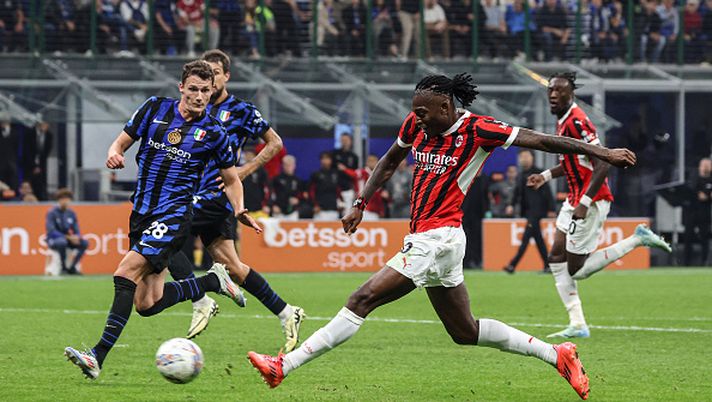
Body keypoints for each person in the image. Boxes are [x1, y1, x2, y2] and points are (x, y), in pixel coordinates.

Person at [248, 72, 641, 400]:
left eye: (423, 112)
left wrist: (603, 153)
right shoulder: (416, 122)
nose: (416, 118)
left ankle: (285, 364)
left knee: (361, 299)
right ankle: (558, 355)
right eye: (415, 111)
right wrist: (362, 202)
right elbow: (389, 160)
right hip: (437, 240)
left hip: (437, 239)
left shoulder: (478, 129)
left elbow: (541, 140)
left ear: (446, 108)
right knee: (465, 331)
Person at [64, 60, 261, 380]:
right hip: (141, 212)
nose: (199, 97)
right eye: (194, 89)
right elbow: (122, 140)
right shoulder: (154, 108)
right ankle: (213, 281)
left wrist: (238, 208)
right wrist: (115, 153)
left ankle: (96, 355)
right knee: (147, 303)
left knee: (125, 271)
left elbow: (232, 178)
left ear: (213, 93)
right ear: (181, 87)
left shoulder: (214, 133)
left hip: (174, 214)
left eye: (206, 92)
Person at [165, 50, 305, 350]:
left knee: (163, 236)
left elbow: (275, 143)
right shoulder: (193, 108)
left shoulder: (241, 110)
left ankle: (200, 299)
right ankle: (286, 312)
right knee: (233, 267)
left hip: (214, 195)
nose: (211, 78)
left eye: (215, 72)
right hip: (194, 193)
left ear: (226, 76)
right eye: (206, 72)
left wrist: (243, 171)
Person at [527, 72, 671, 339]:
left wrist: (584, 202)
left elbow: (603, 161)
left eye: (560, 91)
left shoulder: (579, 121)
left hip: (590, 201)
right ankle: (578, 323)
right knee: (556, 257)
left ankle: (636, 239)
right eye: (551, 91)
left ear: (572, 94)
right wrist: (545, 176)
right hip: (574, 198)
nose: (554, 95)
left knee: (576, 270)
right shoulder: (563, 121)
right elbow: (574, 162)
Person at [503, 150, 555, 274]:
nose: (524, 159)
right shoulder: (521, 175)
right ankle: (548, 265)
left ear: (532, 158)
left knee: (526, 239)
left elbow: (548, 192)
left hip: (537, 211)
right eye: (521, 157)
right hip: (528, 212)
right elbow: (517, 192)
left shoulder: (539, 173)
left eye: (526, 156)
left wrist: (551, 208)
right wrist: (511, 204)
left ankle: (512, 265)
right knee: (538, 240)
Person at [46, 188, 88, 275]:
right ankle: (63, 268)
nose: (65, 201)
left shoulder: (71, 213)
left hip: (68, 239)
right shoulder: (52, 213)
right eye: (63, 199)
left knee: (84, 243)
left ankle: (72, 267)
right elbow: (51, 231)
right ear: (59, 200)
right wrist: (69, 237)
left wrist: (77, 236)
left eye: (67, 199)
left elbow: (76, 228)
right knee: (62, 242)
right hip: (54, 240)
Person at [683, 157, 711, 266]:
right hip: (691, 212)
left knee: (705, 237)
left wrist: (707, 196)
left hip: (705, 213)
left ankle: (705, 261)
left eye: (708, 165)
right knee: (688, 237)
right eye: (703, 165)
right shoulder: (693, 179)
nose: (706, 167)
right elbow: (688, 192)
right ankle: (686, 262)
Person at [23, 122, 53, 201]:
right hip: (29, 166)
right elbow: (26, 151)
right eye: (44, 124)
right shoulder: (29, 133)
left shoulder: (49, 135)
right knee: (29, 184)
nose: (46, 126)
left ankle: (42, 200)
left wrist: (39, 166)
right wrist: (34, 166)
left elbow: (46, 152)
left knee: (41, 186)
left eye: (47, 125)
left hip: (42, 166)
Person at [270, 155, 306, 220]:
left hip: (292, 212)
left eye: (290, 165)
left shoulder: (297, 180)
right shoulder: (276, 179)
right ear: (283, 166)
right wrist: (272, 206)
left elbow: (303, 195)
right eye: (286, 165)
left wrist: (298, 201)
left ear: (294, 166)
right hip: (278, 211)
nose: (288, 167)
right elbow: (270, 194)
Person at [310, 151, 341, 220]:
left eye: (327, 158)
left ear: (331, 160)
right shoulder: (316, 175)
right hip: (320, 211)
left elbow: (338, 191)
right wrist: (315, 205)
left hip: (334, 209)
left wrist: (340, 203)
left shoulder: (336, 174)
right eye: (323, 159)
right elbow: (311, 192)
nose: (325, 161)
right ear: (320, 161)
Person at [0, 118, 20, 191]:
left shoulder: (15, 133)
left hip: (12, 163)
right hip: (1, 164)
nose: (3, 123)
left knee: (13, 183)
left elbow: (16, 148)